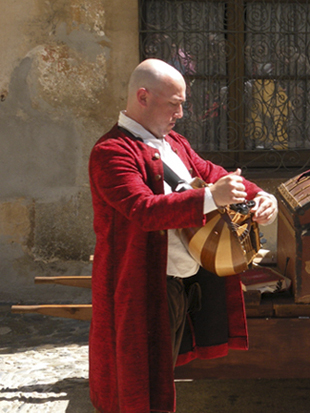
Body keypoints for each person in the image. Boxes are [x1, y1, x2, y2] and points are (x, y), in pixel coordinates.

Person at [88, 58, 277, 412]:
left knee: (159, 380)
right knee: (136, 388)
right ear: (143, 97)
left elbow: (215, 173)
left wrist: (263, 197)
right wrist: (210, 196)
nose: (181, 112)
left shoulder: (174, 143)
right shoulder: (111, 152)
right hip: (141, 288)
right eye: (174, 103)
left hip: (180, 286)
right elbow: (144, 210)